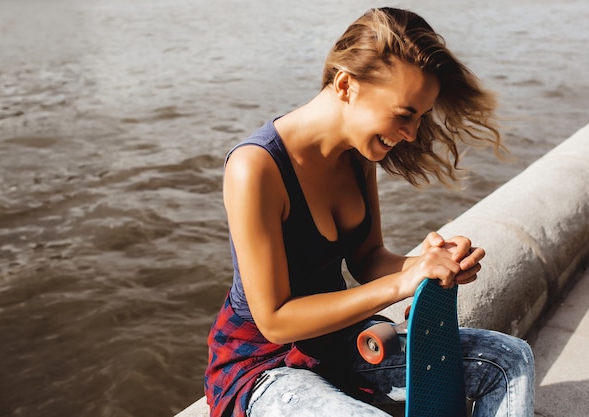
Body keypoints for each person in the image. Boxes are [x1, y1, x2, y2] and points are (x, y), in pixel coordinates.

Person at [205, 7, 534, 417]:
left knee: (508, 359)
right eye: (405, 115)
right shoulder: (254, 168)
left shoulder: (358, 157)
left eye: (421, 118)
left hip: (335, 341)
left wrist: (431, 264)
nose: (413, 134)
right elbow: (274, 319)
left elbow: (368, 259)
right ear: (346, 85)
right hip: (262, 365)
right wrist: (404, 284)